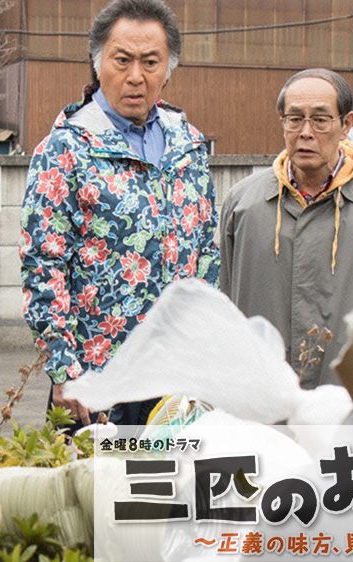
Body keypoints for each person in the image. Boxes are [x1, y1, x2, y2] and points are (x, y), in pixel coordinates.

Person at [20, 0, 219, 427]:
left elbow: (206, 252)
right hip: (97, 379)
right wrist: (63, 369)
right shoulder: (65, 150)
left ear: (169, 68)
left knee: (175, 489)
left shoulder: (189, 146)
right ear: (97, 64)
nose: (136, 77)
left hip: (176, 377)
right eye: (122, 60)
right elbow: (43, 264)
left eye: (151, 62)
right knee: (101, 492)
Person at [219, 68, 353, 389]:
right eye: (295, 119)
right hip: (264, 402)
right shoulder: (243, 204)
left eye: (320, 120)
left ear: (346, 124)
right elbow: (227, 309)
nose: (306, 132)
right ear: (282, 120)